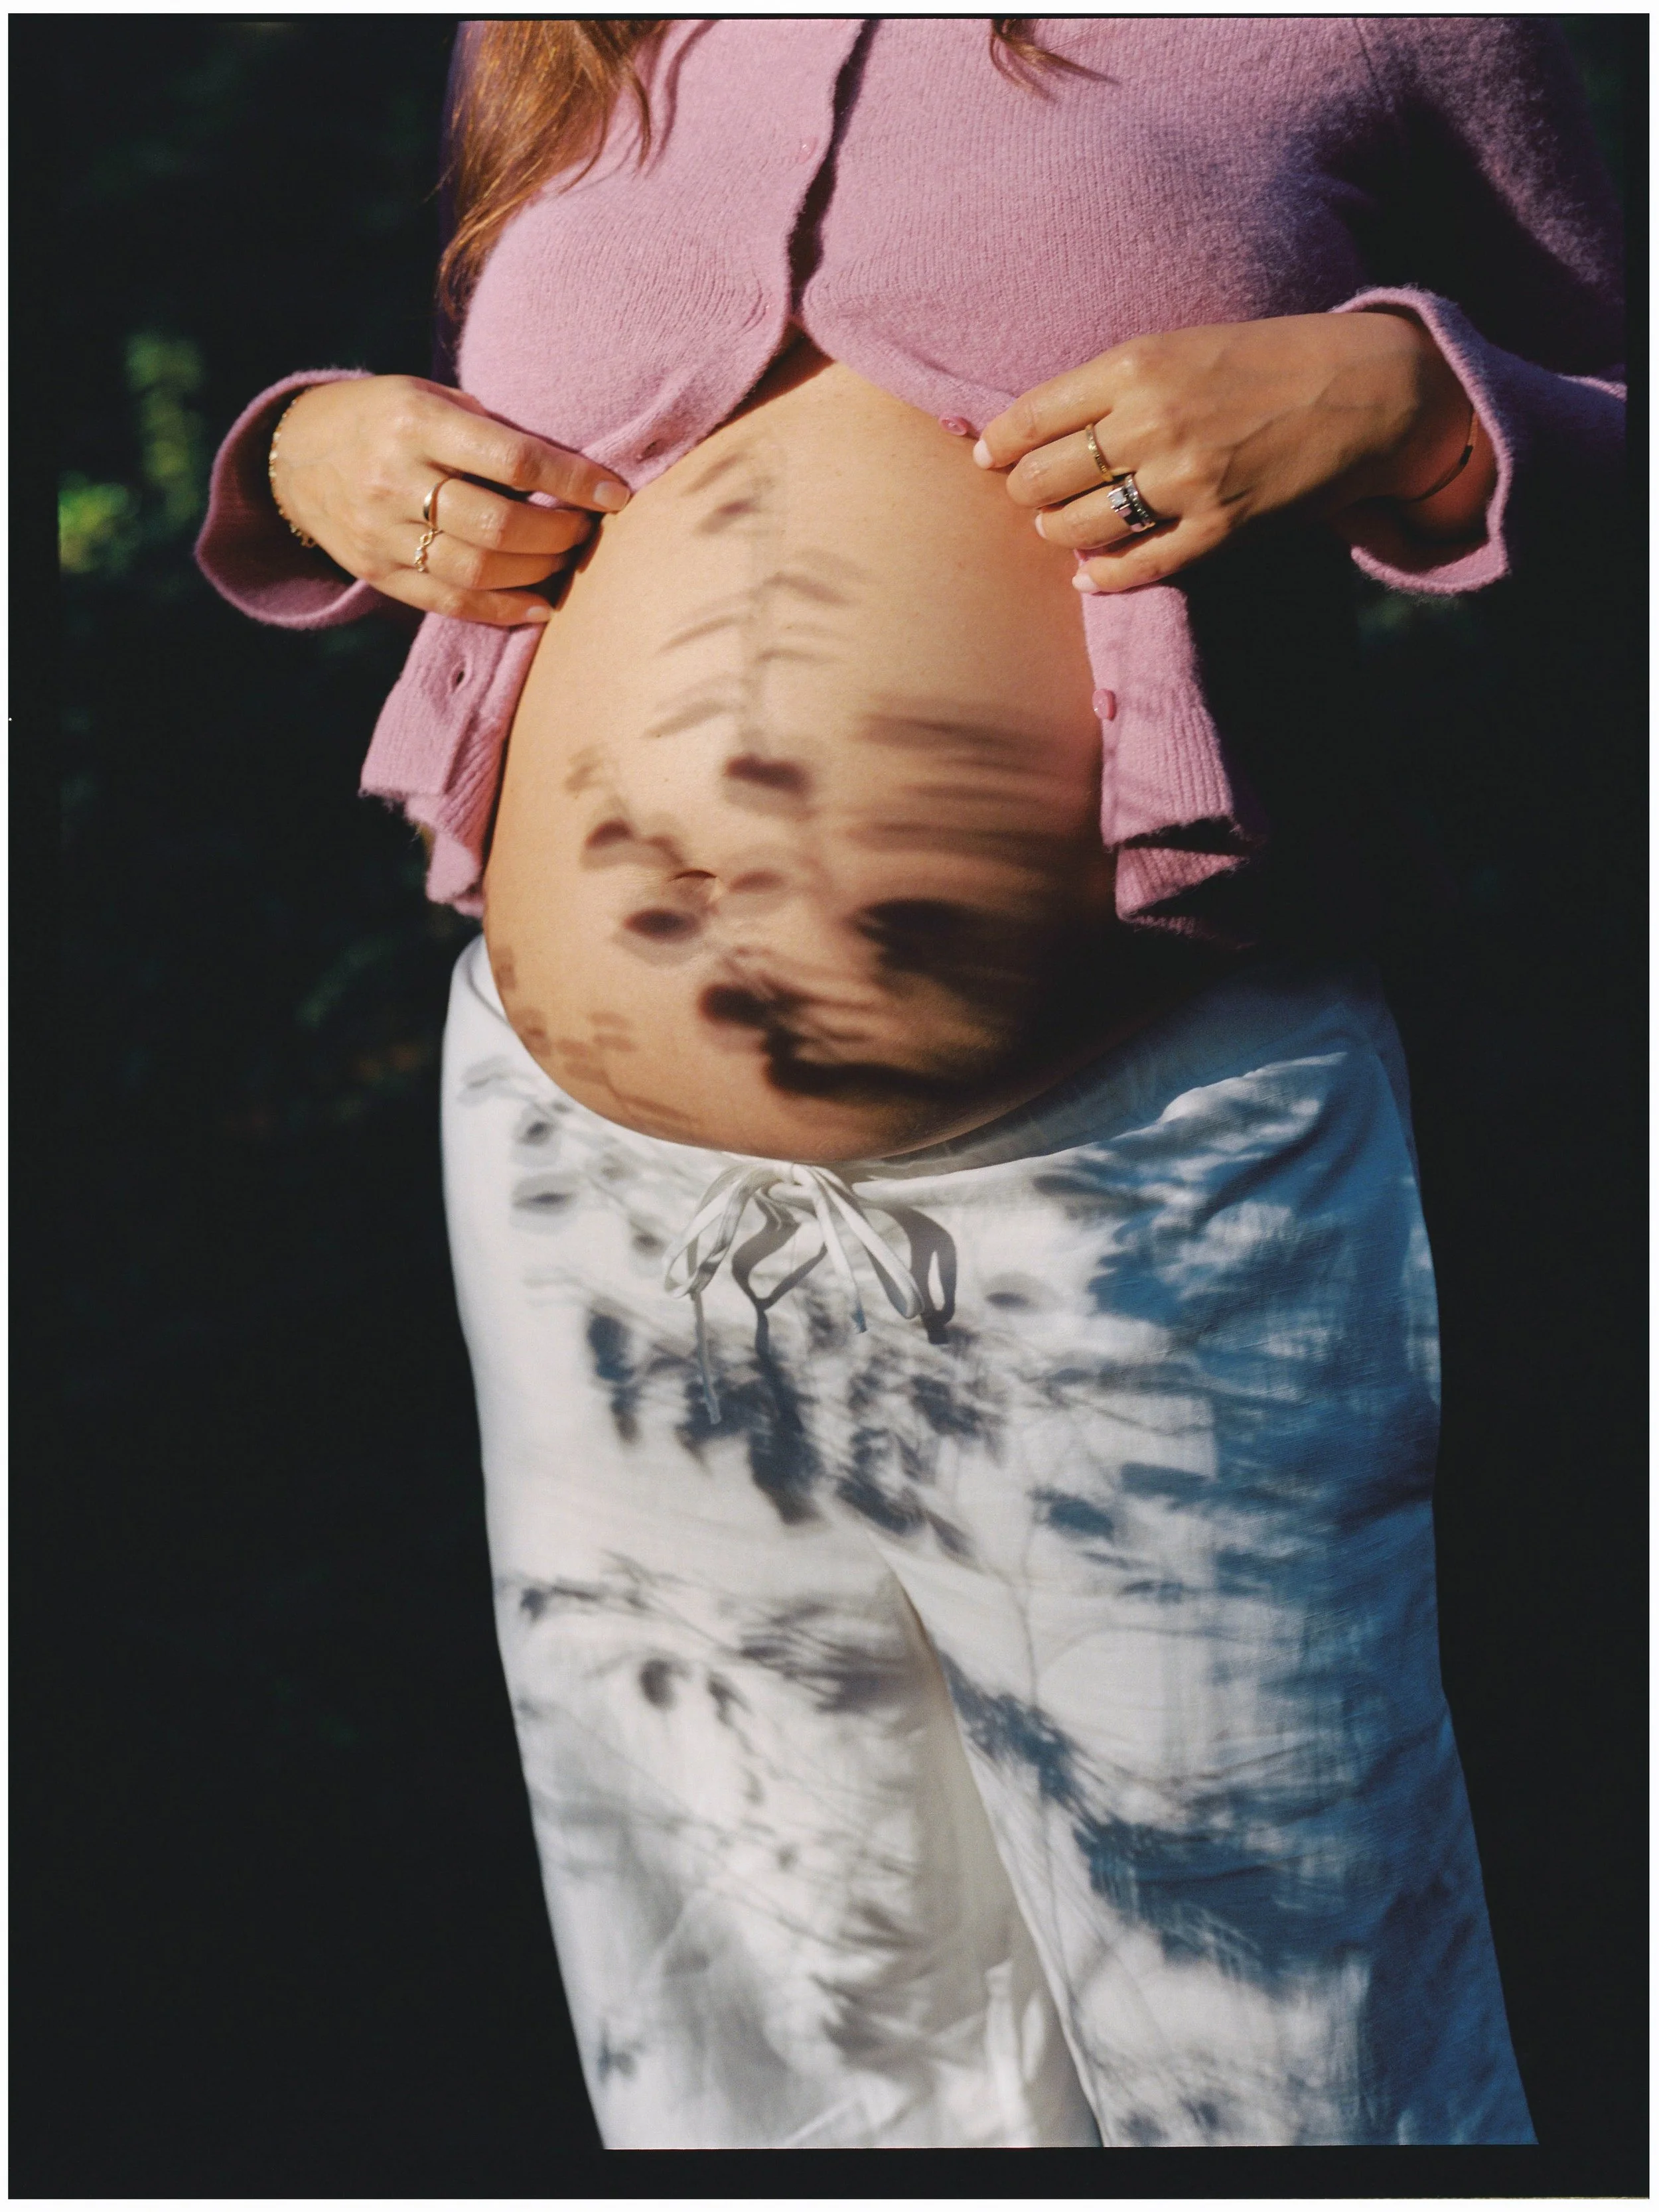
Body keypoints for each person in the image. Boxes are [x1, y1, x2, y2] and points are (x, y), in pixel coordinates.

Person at [196, 17, 1623, 2149]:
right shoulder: (570, 24)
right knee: (769, 2062)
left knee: (1288, 2070)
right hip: (596, 1214)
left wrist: (1409, 399)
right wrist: (311, 454)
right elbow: (484, 432)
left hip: (1137, 1188)